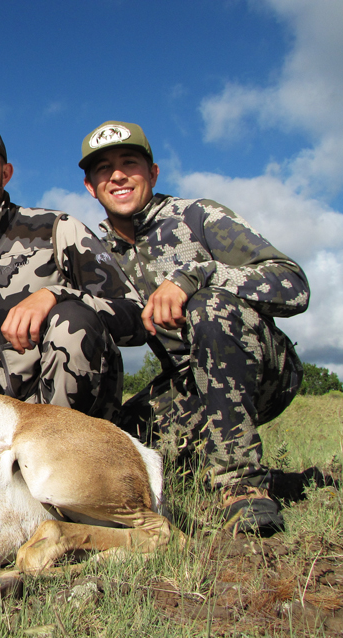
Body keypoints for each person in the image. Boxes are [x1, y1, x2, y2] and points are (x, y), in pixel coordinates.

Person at [79, 120, 309, 533]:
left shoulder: (197, 216)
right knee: (115, 449)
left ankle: (243, 486)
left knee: (209, 307)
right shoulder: (99, 252)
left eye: (129, 162)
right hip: (187, 383)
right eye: (103, 169)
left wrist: (196, 277)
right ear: (90, 187)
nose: (116, 175)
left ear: (153, 173)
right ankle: (208, 468)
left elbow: (292, 283)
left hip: (263, 368)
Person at [0, 119, 146, 419]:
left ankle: (69, 454)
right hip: (11, 424)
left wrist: (55, 295)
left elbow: (136, 317)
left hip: (84, 422)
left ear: (5, 173)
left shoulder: (56, 229)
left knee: (70, 317)